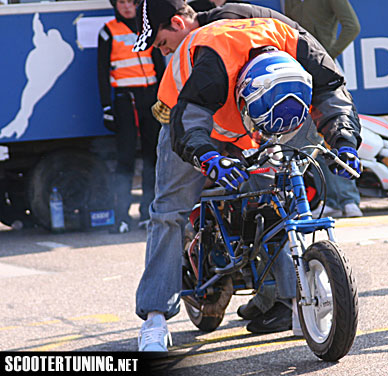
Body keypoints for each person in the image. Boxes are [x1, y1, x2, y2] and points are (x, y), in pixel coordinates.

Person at [132, 0, 361, 351]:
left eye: (161, 42)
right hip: (185, 124)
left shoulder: (297, 42)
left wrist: (344, 140)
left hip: (256, 121)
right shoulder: (215, 60)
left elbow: (331, 90)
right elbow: (189, 121)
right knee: (169, 212)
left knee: (277, 199)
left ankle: (292, 301)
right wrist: (208, 157)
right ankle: (155, 320)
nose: (163, 51)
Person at [284, 0, 362, 218]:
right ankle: (330, 199)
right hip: (296, 70)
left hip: (324, 70)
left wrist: (328, 55)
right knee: (309, 135)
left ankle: (349, 199)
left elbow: (352, 26)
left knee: (336, 131)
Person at [97, 0, 164, 233]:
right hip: (125, 100)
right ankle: (122, 216)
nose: (126, 7)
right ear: (115, 5)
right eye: (121, 2)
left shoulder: (147, 27)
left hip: (150, 97)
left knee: (151, 157)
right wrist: (106, 106)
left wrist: (165, 97)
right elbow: (101, 71)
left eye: (131, 2)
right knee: (124, 158)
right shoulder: (108, 31)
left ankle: (147, 211)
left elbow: (160, 65)